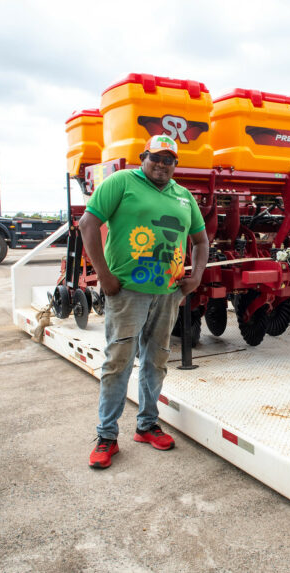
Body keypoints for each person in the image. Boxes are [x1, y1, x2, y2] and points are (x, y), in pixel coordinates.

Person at [79, 134, 209, 469]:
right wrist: (103, 275)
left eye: (170, 160)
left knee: (157, 361)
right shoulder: (122, 182)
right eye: (156, 157)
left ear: (175, 165)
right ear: (143, 156)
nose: (163, 164)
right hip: (127, 293)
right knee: (118, 362)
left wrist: (195, 277)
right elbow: (88, 224)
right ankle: (107, 436)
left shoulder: (183, 196)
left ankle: (147, 425)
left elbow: (200, 239)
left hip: (168, 294)